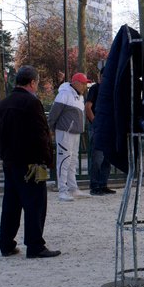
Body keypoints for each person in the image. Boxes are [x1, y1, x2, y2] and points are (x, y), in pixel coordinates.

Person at [0, 65, 59, 258]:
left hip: (10, 161)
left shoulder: (2, 104)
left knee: (11, 205)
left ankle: (6, 244)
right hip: (31, 162)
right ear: (32, 82)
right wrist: (48, 159)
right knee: (35, 204)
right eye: (37, 83)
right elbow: (41, 134)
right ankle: (35, 245)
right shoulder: (32, 103)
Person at [47, 72, 88, 202]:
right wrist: (50, 128)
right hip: (65, 131)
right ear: (76, 83)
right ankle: (62, 191)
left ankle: (73, 188)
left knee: (72, 161)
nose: (85, 86)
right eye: (83, 83)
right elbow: (54, 113)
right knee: (64, 160)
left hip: (74, 132)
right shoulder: (64, 94)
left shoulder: (79, 96)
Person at [84, 70, 114, 195]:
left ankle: (103, 184)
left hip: (108, 127)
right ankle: (95, 185)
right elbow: (88, 106)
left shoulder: (111, 89)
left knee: (107, 158)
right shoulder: (95, 88)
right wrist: (95, 122)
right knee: (97, 158)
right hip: (98, 127)